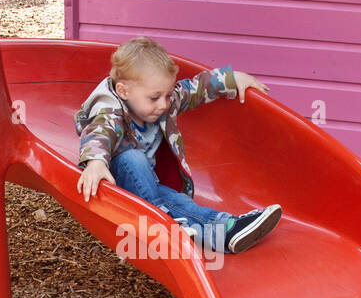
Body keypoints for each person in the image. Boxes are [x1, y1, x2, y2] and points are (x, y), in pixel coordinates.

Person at [74, 36, 282, 255]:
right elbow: (100, 130)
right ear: (124, 91)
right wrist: (95, 162)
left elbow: (195, 89)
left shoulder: (164, 102)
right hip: (111, 186)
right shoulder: (109, 107)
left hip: (146, 190)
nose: (163, 104)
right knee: (132, 158)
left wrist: (231, 78)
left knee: (177, 200)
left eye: (167, 95)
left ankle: (226, 229)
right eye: (154, 97)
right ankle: (164, 223)